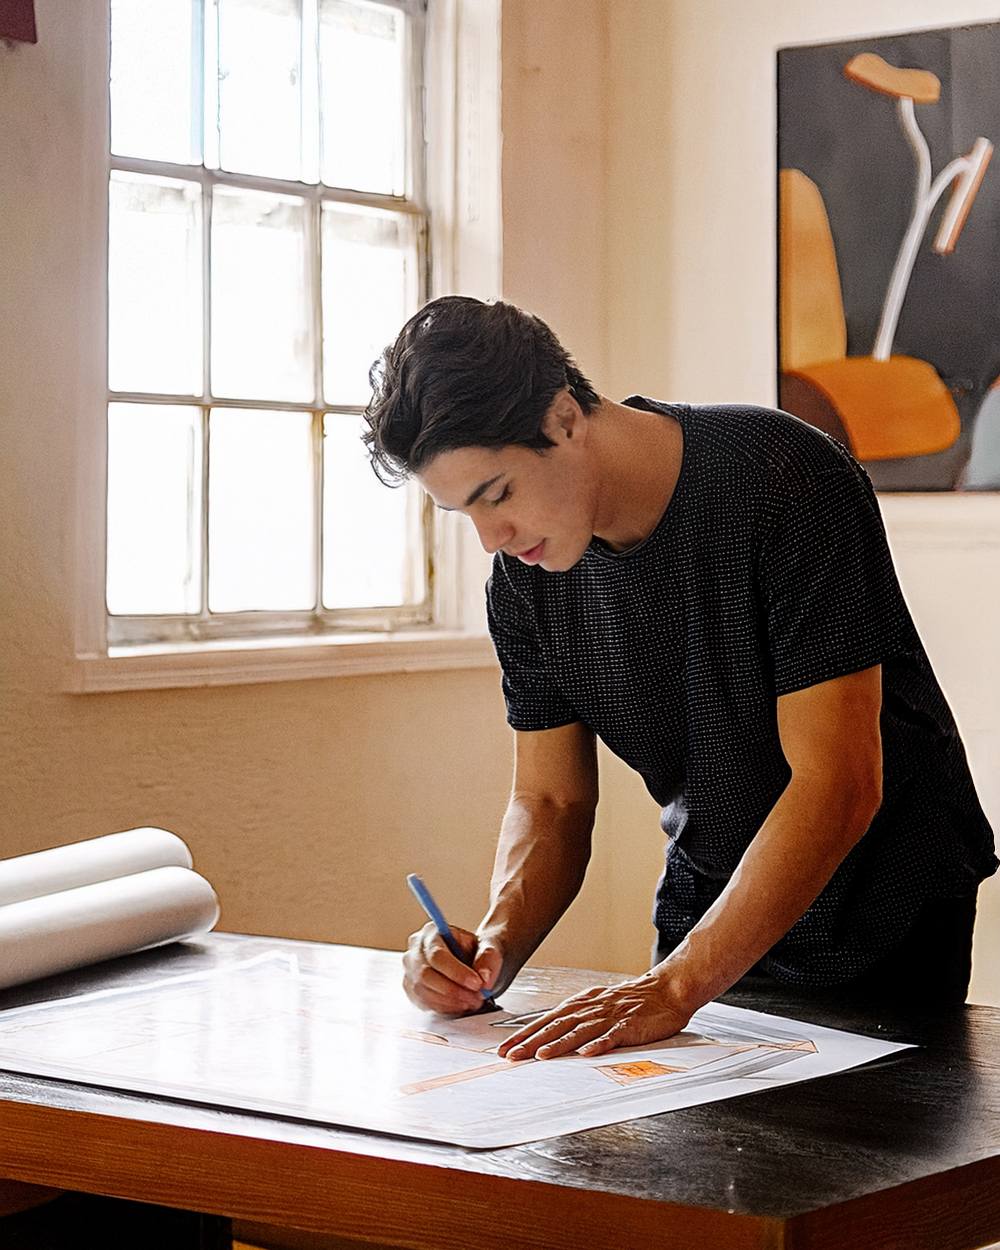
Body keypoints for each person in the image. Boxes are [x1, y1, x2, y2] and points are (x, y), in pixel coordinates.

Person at [363, 296, 997, 1061]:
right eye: (461, 512)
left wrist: (676, 986)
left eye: (497, 494)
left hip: (881, 909)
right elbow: (553, 800)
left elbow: (838, 783)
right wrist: (490, 950)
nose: (491, 538)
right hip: (709, 897)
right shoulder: (525, 579)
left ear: (565, 418)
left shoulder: (784, 479)